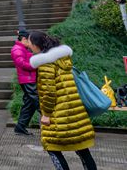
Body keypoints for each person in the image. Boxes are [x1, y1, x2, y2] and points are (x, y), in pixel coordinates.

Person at [27, 31, 97, 170]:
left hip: (59, 113)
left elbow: (48, 92)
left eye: (29, 42)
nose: (28, 45)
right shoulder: (63, 60)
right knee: (82, 149)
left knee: (52, 148)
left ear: (36, 45)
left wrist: (46, 114)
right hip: (75, 111)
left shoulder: (46, 64)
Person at [11, 29, 39, 136]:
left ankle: (20, 127)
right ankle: (52, 120)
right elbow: (22, 63)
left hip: (28, 79)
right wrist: (35, 65)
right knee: (37, 100)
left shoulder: (22, 48)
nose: (31, 43)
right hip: (27, 80)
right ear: (23, 39)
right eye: (29, 40)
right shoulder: (17, 49)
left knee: (29, 104)